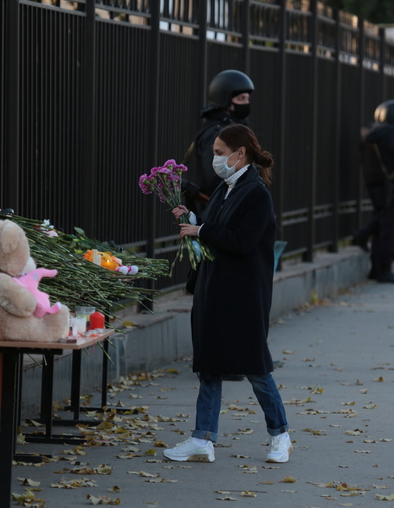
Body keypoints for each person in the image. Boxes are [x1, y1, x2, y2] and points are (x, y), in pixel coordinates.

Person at [163, 124, 292, 464]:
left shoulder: (256, 193)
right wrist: (191, 218)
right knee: (210, 365)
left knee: (255, 367)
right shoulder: (227, 187)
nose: (215, 158)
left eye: (220, 152)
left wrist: (201, 229)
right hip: (215, 288)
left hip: (243, 294)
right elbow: (215, 225)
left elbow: (242, 241)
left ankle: (281, 435)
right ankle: (202, 439)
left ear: (240, 154)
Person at [352, 99, 394, 284]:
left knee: (382, 225)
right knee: (392, 231)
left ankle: (375, 265)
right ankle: (384, 270)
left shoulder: (371, 135)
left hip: (376, 186)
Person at [182, 70, 254, 212]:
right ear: (225, 101)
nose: (246, 103)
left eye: (247, 98)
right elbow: (216, 179)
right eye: (241, 99)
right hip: (219, 214)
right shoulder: (216, 134)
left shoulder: (228, 128)